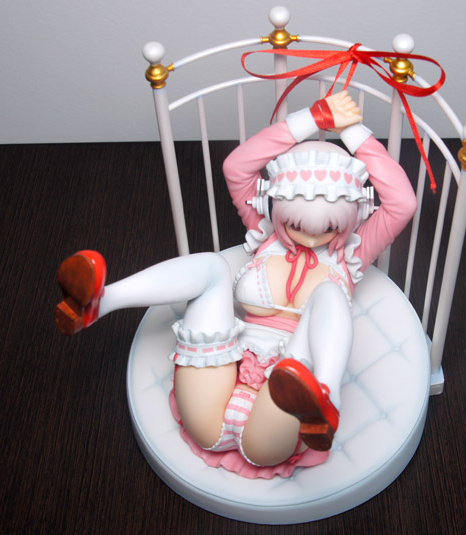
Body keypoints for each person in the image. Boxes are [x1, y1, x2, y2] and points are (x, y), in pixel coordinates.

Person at [54, 91, 417, 474]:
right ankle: (99, 301)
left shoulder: (353, 254)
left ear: (349, 221)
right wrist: (315, 117)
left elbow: (403, 204)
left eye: (327, 229)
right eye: (296, 225)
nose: (311, 240)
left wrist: (353, 131)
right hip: (214, 393)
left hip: (280, 407)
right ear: (278, 210)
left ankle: (325, 401)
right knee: (212, 267)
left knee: (328, 295)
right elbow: (236, 167)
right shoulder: (265, 234)